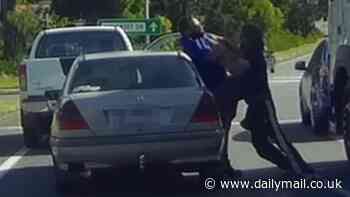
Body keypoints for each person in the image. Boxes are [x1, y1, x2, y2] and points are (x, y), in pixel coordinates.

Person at [237, 24, 314, 174]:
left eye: (243, 36)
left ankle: (301, 168)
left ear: (249, 38)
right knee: (260, 144)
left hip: (263, 103)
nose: (241, 38)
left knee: (279, 139)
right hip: (253, 104)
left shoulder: (255, 55)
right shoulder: (247, 53)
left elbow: (251, 77)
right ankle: (287, 165)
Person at [179, 17, 248, 177]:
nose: (201, 28)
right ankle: (212, 164)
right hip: (208, 92)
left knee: (225, 129)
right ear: (188, 30)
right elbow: (206, 57)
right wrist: (221, 51)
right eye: (197, 26)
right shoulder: (188, 43)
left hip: (222, 86)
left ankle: (223, 163)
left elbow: (226, 46)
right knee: (213, 131)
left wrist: (227, 45)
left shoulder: (207, 37)